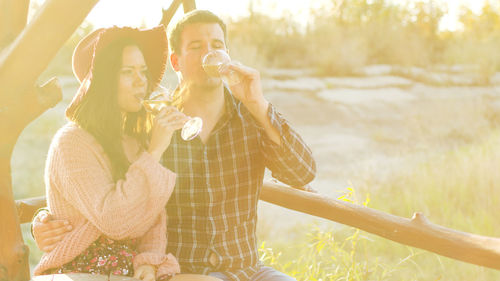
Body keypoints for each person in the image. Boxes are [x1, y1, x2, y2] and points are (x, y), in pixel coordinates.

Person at [33, 10, 316, 281]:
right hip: (181, 270)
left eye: (217, 45)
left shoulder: (251, 117)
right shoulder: (153, 129)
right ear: (176, 62)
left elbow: (301, 173)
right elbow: (106, 196)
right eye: (196, 46)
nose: (209, 53)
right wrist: (43, 218)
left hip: (247, 270)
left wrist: (259, 105)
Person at [33, 25, 190, 281]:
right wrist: (155, 150)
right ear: (103, 81)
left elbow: (153, 217)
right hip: (79, 270)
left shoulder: (135, 142)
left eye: (142, 71)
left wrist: (149, 263)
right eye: (127, 72)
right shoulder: (71, 142)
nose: (141, 80)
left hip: (129, 272)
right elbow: (113, 220)